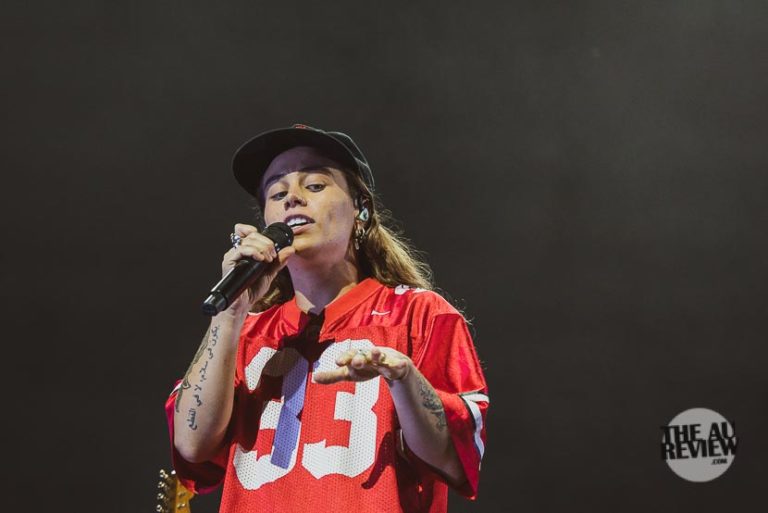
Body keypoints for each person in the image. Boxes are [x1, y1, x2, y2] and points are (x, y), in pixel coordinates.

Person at [165, 124, 489, 513]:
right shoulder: (245, 332)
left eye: (315, 185)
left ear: (361, 209)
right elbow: (192, 446)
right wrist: (230, 314)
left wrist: (403, 378)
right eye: (277, 193)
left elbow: (454, 456)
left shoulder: (421, 314)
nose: (292, 198)